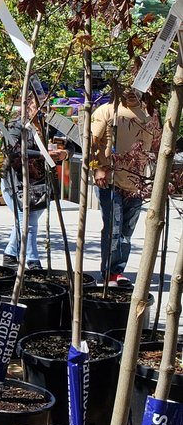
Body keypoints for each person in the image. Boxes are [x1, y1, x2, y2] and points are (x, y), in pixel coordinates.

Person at [90, 86, 161, 287]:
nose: (131, 92)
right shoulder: (107, 110)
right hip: (110, 181)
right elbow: (92, 142)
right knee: (113, 228)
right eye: (127, 88)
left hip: (136, 183)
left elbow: (157, 145)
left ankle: (118, 271)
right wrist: (99, 168)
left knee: (126, 232)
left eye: (135, 88)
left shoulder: (150, 114)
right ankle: (109, 272)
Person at [0, 97, 67, 268]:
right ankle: (32, 260)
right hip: (16, 182)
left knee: (25, 221)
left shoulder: (49, 126)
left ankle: (10, 254)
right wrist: (42, 154)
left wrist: (65, 153)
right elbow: (13, 150)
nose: (41, 110)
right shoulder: (17, 126)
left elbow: (71, 144)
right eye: (38, 106)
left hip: (41, 184)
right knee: (29, 220)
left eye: (45, 106)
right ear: (28, 105)